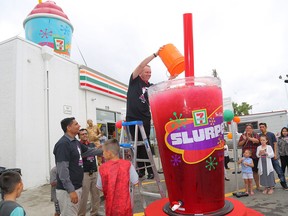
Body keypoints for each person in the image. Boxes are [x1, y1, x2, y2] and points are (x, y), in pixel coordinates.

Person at [53, 117, 103, 216]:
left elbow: (89, 151)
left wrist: (107, 149)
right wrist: (71, 190)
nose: (79, 126)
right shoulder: (63, 144)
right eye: (76, 124)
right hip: (68, 191)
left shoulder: (75, 142)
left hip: (77, 187)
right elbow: (62, 170)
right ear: (69, 127)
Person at [125, 50, 162, 179]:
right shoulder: (134, 81)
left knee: (146, 145)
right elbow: (141, 65)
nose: (148, 74)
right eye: (146, 72)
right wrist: (155, 55)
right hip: (132, 118)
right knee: (136, 145)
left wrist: (171, 78)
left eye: (150, 72)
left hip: (145, 118)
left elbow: (162, 87)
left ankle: (150, 171)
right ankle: (140, 170)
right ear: (140, 72)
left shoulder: (150, 87)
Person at [96, 139, 138, 216]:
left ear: (109, 153)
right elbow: (135, 181)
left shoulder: (102, 168)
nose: (103, 154)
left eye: (103, 152)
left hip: (110, 206)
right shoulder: (128, 165)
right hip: (125, 205)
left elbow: (100, 187)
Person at [78, 128, 101, 216]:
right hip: (85, 174)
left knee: (96, 195)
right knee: (84, 197)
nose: (84, 135)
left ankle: (94, 213)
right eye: (82, 134)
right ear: (79, 136)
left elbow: (97, 153)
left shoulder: (92, 144)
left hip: (94, 172)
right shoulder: (78, 146)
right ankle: (81, 214)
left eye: (85, 134)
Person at [259, 122, 288, 190]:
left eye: (263, 127)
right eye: (260, 127)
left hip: (272, 156)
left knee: (279, 171)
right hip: (265, 158)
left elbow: (275, 144)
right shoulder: (259, 135)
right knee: (268, 171)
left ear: (266, 127)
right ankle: (271, 184)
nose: (261, 128)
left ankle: (283, 183)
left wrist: (275, 154)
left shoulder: (271, 134)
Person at [238, 123, 260, 190]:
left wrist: (249, 138)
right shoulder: (242, 136)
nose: (248, 129)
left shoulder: (255, 135)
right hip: (245, 156)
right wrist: (244, 140)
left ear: (252, 129)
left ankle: (257, 186)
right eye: (247, 128)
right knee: (246, 171)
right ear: (245, 129)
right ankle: (249, 187)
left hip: (254, 155)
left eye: (249, 128)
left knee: (255, 171)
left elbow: (257, 141)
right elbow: (239, 144)